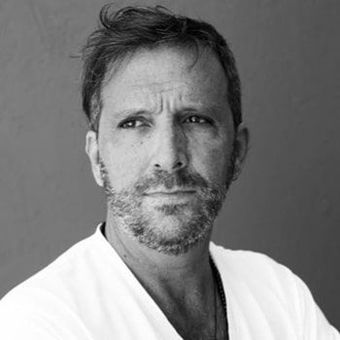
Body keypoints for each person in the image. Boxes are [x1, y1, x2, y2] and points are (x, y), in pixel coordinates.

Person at [0, 4, 338, 340]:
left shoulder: (277, 292)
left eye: (195, 120)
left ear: (236, 151)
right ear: (96, 156)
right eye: (134, 123)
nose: (168, 156)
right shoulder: (39, 322)